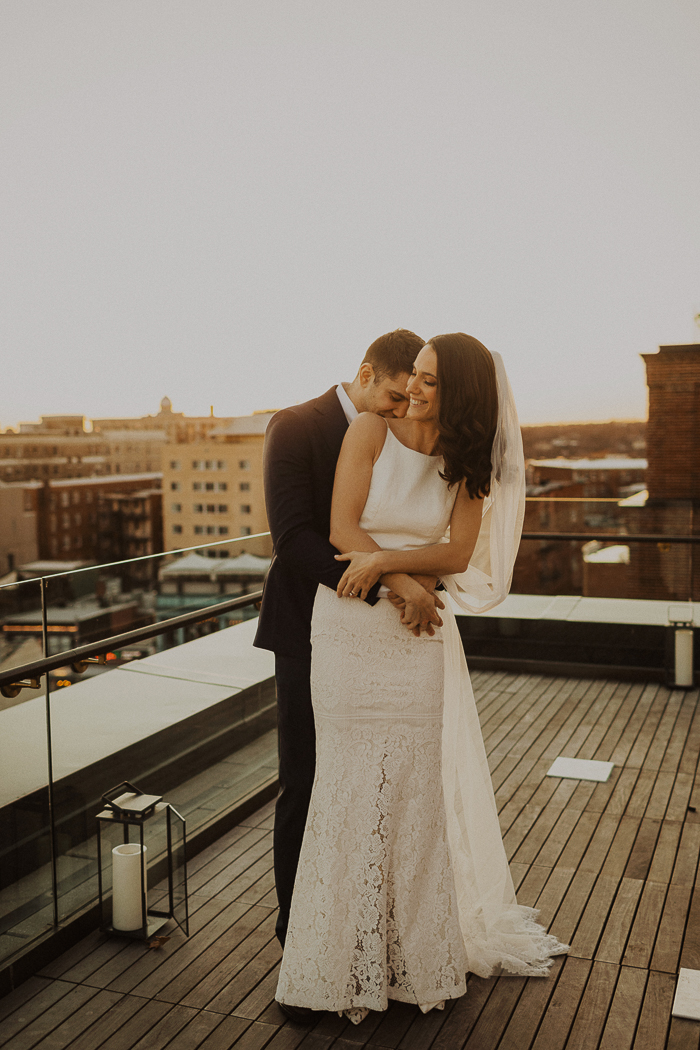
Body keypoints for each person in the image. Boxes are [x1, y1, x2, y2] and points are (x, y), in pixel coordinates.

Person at [275, 333, 568, 1024]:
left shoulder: (468, 464)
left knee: (413, 796)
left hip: (419, 637)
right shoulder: (372, 432)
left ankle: (410, 964)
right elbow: (342, 525)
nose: (415, 390)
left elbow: (460, 550)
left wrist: (388, 570)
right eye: (415, 377)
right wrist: (400, 578)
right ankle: (328, 966)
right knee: (343, 789)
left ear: (461, 391)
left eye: (432, 381)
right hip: (350, 629)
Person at [253, 329, 444, 983]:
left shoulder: (398, 430)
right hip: (309, 633)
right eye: (394, 396)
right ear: (365, 374)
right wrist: (391, 582)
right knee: (305, 786)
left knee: (374, 791)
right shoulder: (297, 426)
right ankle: (295, 940)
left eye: (411, 397)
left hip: (382, 642)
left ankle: (366, 935)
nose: (401, 410)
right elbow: (294, 539)